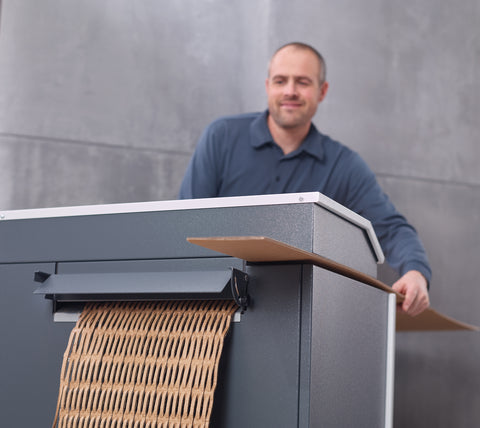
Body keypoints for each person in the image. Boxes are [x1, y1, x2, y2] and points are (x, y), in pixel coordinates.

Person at [179, 42, 431, 316]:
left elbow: (392, 229)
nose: (290, 91)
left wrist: (416, 272)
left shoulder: (343, 165)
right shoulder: (221, 137)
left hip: (297, 313)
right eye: (280, 81)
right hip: (209, 311)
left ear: (322, 91)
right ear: (267, 86)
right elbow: (184, 224)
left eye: (302, 82)